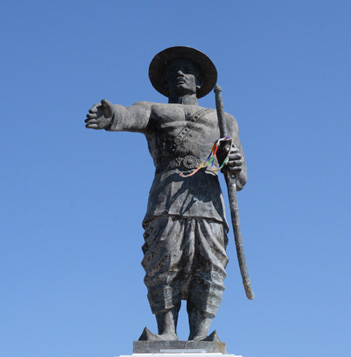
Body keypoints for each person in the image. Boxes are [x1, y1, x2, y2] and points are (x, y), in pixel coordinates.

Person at [85, 46, 247, 341]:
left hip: (207, 197)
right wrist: (112, 116)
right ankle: (167, 331)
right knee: (164, 258)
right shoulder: (155, 110)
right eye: (174, 72)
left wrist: (233, 163)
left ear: (200, 82)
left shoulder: (225, 120)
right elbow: (131, 115)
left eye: (187, 71)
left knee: (208, 261)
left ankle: (201, 333)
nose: (180, 75)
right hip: (167, 194)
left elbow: (240, 176)